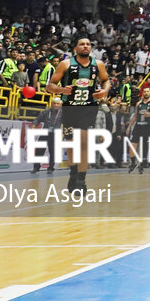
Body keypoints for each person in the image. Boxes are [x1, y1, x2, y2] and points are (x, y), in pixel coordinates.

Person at [44, 37, 109, 193]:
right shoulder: (65, 64)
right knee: (72, 145)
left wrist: (105, 90)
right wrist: (61, 90)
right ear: (75, 48)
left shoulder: (98, 64)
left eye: (88, 44)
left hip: (88, 107)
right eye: (82, 44)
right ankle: (73, 174)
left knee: (84, 144)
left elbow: (106, 80)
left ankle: (82, 180)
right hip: (70, 108)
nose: (85, 46)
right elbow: (49, 86)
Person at [126, 88, 150, 174]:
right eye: (144, 91)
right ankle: (133, 163)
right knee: (132, 144)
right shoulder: (139, 103)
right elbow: (135, 116)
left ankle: (141, 165)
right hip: (138, 126)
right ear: (142, 93)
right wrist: (129, 127)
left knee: (144, 147)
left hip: (147, 126)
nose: (146, 93)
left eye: (147, 91)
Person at [30, 97, 63, 175]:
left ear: (60, 105)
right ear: (51, 104)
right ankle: (36, 167)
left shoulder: (63, 113)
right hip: (45, 132)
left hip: (55, 134)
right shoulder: (46, 111)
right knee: (39, 150)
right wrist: (34, 124)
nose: (55, 105)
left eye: (57, 103)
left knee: (53, 151)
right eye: (54, 103)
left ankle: (51, 168)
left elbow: (68, 123)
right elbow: (38, 119)